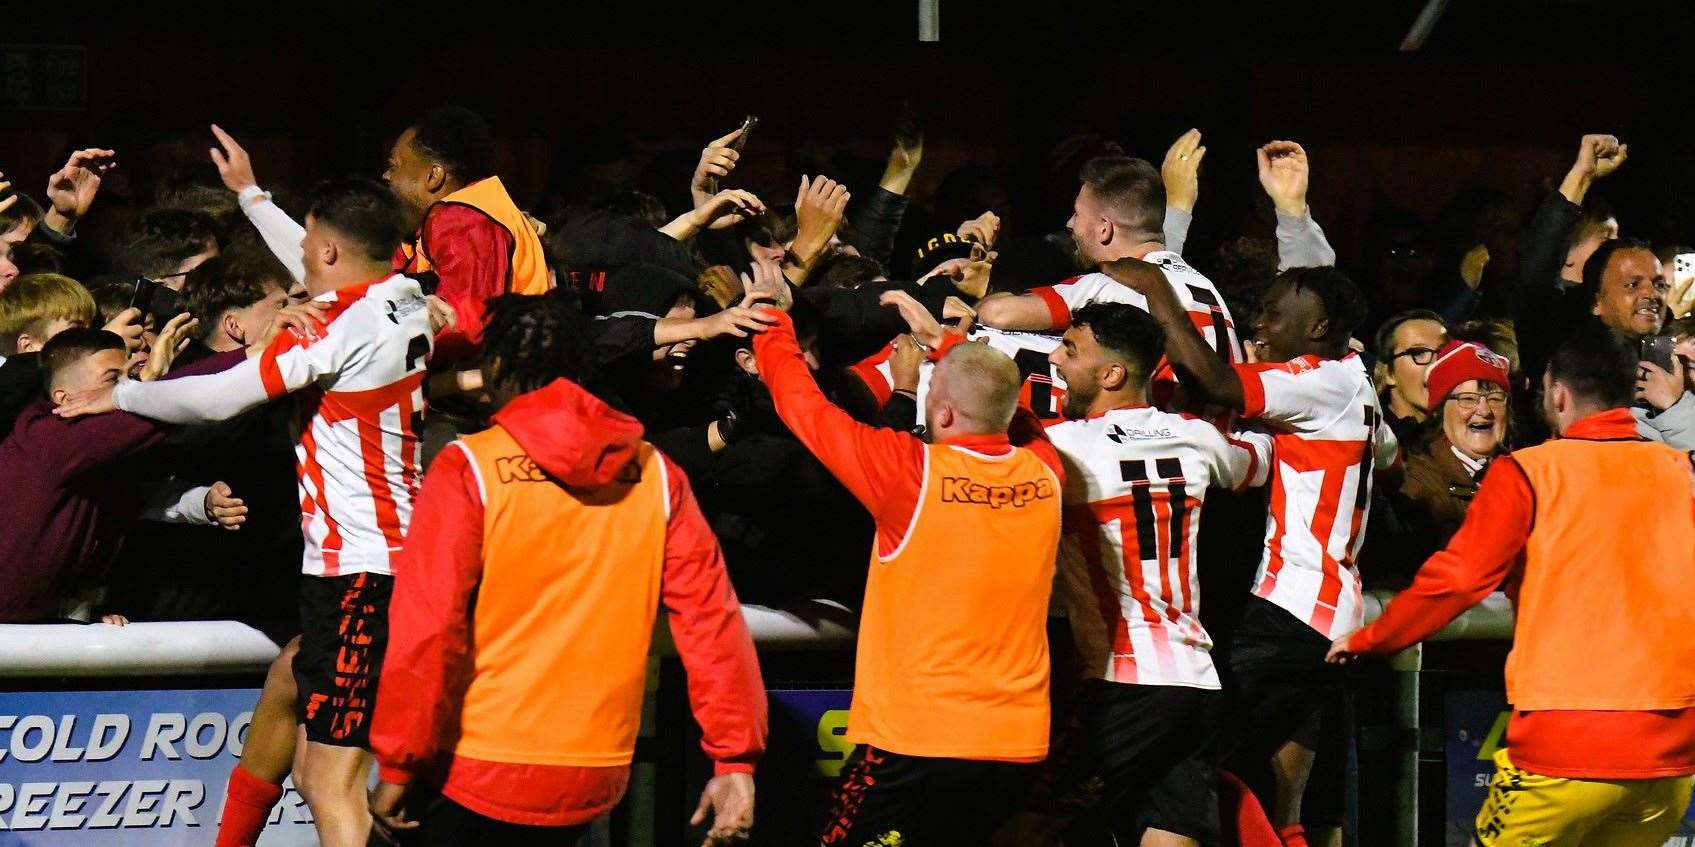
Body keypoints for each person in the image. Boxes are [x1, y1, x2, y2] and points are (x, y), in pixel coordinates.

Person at [56, 177, 432, 846]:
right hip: (402, 557)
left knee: (326, 779)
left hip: (359, 569)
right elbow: (328, 257)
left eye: (310, 250)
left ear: (332, 254)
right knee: (288, 674)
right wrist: (252, 196)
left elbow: (216, 400)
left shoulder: (334, 325)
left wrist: (126, 397)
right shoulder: (402, 297)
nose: (300, 268)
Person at [368, 292, 767, 845]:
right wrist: (734, 761)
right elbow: (712, 624)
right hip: (596, 775)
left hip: (476, 767)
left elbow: (429, 629)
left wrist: (399, 761)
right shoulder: (655, 473)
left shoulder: (469, 469)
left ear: (498, 368)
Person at [1329, 324, 1695, 847]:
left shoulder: (1530, 472)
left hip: (1565, 751)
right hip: (1670, 761)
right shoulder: (1680, 471)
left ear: (1559, 394)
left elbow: (1457, 579)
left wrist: (1372, 638)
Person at [749, 280, 1064, 845]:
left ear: (941, 412)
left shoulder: (909, 473)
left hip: (917, 743)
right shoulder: (1045, 475)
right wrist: (946, 347)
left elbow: (802, 407)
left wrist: (774, 322)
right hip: (1017, 749)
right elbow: (1020, 417)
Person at [1098, 259, 1396, 847]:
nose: (1259, 323)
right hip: (1331, 609)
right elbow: (1390, 458)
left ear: (1319, 328)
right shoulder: (1354, 385)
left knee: (1186, 759)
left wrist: (1156, 288)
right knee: (1283, 782)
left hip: (1293, 608)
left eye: (1275, 312)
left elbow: (1219, 384)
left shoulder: (1318, 381)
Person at [1012, 302, 1271, 846]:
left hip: (1120, 683)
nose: (1056, 360)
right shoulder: (1194, 436)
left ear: (1113, 374)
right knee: (1169, 830)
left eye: (1071, 350)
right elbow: (1257, 463)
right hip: (1194, 680)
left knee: (1020, 825)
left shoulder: (1063, 450)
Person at [0, 318, 207, 623]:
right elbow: (165, 410)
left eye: (130, 375)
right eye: (113, 377)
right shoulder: (49, 438)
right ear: (63, 397)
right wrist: (257, 356)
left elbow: (130, 499)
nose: (126, 386)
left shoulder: (88, 454)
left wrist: (86, 617)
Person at [975, 157, 1241, 381]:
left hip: (1158, 432)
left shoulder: (1107, 285)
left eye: (1077, 214)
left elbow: (995, 313)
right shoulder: (1206, 285)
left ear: (1105, 228)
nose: (1069, 223)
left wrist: (983, 285)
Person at [1388, 340, 1512, 577]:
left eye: (1496, 398)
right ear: (1439, 410)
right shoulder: (1418, 484)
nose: (1484, 410)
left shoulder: (1528, 474)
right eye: (1467, 399)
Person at [1372, 310, 1449, 445]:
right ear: (1389, 373)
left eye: (1445, 352)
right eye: (1418, 353)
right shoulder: (1368, 440)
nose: (1437, 364)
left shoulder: (1466, 441)